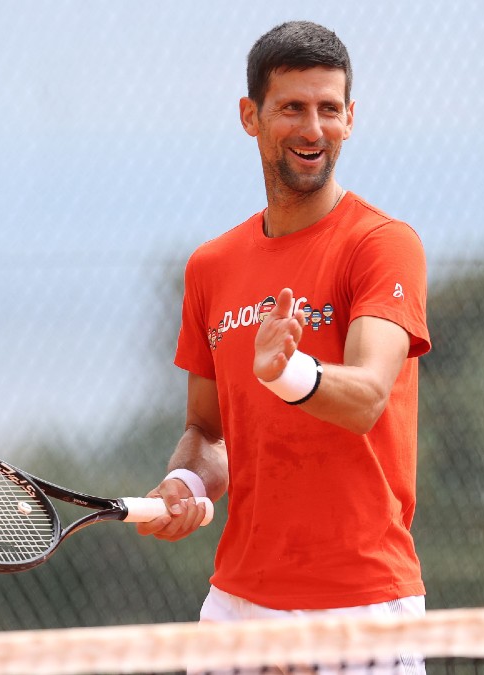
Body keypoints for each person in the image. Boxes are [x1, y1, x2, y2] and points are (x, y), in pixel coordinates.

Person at [136, 20, 430, 674]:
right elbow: (209, 432)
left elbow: (368, 398)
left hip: (359, 606)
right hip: (237, 606)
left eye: (329, 109)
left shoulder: (381, 245)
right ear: (252, 116)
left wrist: (290, 370)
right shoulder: (210, 267)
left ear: (351, 119)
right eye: (292, 107)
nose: (312, 127)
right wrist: (185, 480)